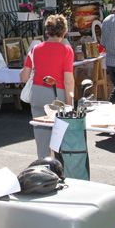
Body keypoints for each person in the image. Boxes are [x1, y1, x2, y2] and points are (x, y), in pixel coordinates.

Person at [20, 14, 75, 159]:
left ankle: (44, 163)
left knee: (41, 135)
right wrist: (70, 104)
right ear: (64, 32)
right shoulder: (67, 50)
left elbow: (24, 77)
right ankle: (58, 165)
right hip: (58, 93)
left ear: (47, 31)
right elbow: (68, 80)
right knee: (60, 135)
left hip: (38, 92)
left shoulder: (35, 49)